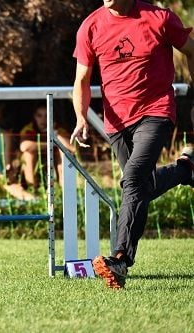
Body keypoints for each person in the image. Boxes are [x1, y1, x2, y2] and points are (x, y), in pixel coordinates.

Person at [71, 0, 194, 289]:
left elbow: (191, 49)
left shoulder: (159, 18)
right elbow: (82, 79)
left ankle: (121, 259)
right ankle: (185, 169)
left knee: (134, 179)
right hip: (116, 122)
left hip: (156, 111)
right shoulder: (90, 25)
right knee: (141, 187)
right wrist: (80, 117)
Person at [19, 105, 74, 190]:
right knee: (28, 155)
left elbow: (71, 148)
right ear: (34, 117)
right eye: (39, 116)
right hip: (36, 159)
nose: (43, 120)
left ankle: (64, 190)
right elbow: (24, 146)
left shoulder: (58, 129)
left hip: (55, 158)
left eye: (47, 116)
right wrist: (51, 144)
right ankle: (33, 191)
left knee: (64, 154)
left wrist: (56, 134)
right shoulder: (29, 128)